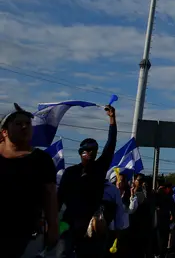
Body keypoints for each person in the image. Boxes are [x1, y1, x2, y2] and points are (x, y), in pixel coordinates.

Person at [58, 104, 117, 258]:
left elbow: (110, 145)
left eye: (95, 150)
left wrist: (112, 119)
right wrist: (52, 223)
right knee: (64, 253)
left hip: (92, 224)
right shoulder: (70, 173)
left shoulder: (99, 168)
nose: (91, 153)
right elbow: (59, 198)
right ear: (81, 152)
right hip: (68, 223)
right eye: (88, 150)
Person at [0, 103, 59, 258]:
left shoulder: (42, 160)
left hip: (26, 234)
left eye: (28, 124)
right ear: (4, 132)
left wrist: (53, 226)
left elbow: (50, 195)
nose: (25, 127)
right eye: (18, 124)